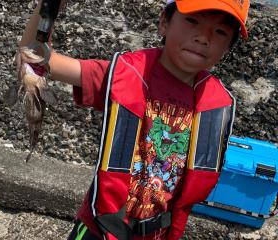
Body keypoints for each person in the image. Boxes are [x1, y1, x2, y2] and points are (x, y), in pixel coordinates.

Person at [18, 0, 250, 239]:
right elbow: (34, 58)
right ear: (164, 23)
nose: (203, 37)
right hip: (100, 229)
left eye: (220, 31)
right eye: (192, 20)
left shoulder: (214, 103)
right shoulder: (122, 75)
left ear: (227, 49)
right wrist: (49, 5)